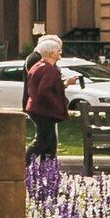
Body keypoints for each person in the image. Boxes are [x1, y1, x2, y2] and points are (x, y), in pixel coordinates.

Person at [23, 32, 72, 163]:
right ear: (51, 53)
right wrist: (56, 105)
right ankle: (23, 165)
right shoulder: (49, 69)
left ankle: (47, 170)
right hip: (44, 111)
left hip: (37, 110)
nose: (60, 52)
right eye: (58, 50)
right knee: (41, 142)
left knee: (49, 143)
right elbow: (45, 89)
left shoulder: (38, 66)